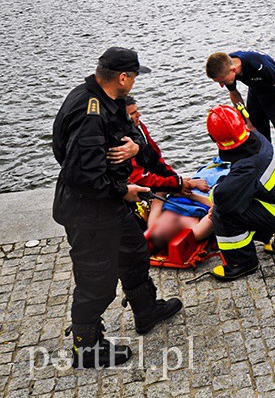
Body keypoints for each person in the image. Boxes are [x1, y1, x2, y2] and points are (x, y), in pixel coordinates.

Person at [52, 48, 182, 369]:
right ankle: (86, 347)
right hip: (89, 211)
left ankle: (146, 311)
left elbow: (132, 143)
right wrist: (125, 190)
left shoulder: (107, 101)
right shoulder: (89, 112)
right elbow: (81, 176)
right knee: (96, 280)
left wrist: (136, 148)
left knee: (134, 252)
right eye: (135, 76)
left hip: (108, 204)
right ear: (123, 77)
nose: (136, 81)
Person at [205, 104, 275, 281]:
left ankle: (243, 263)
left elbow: (223, 197)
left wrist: (214, 195)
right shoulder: (256, 138)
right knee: (237, 201)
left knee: (222, 213)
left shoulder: (247, 166)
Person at [205, 51, 275, 192]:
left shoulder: (259, 66)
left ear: (233, 70)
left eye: (222, 81)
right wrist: (248, 122)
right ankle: (265, 184)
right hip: (256, 94)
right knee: (257, 143)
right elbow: (234, 95)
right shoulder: (227, 65)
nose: (221, 85)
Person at [126, 95, 209, 195]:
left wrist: (177, 180)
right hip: (137, 186)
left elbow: (156, 158)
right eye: (133, 113)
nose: (139, 115)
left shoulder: (139, 127)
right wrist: (178, 184)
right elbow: (138, 177)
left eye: (137, 111)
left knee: (181, 185)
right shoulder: (121, 141)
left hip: (150, 178)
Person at [146, 158, 231, 249]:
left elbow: (161, 193)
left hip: (193, 183)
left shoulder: (153, 225)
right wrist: (190, 195)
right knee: (232, 168)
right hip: (210, 190)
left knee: (215, 165)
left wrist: (190, 184)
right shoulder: (196, 232)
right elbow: (217, 206)